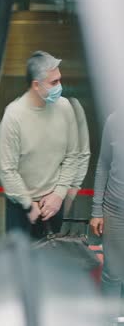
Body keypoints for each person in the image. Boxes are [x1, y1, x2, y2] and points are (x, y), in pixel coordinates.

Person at [0, 51, 78, 238]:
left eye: (59, 80)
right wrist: (27, 203)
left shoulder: (65, 108)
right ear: (36, 85)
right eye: (54, 83)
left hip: (53, 203)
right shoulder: (14, 116)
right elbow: (6, 170)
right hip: (21, 206)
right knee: (20, 265)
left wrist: (59, 194)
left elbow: (72, 156)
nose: (60, 87)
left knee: (49, 263)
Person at [90, 109, 124, 302]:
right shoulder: (114, 120)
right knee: (113, 274)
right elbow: (103, 164)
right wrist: (96, 211)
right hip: (115, 211)